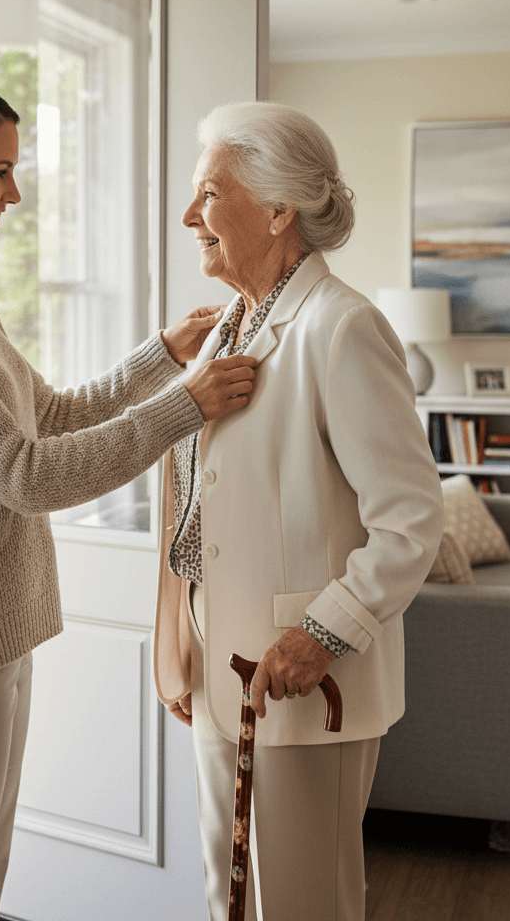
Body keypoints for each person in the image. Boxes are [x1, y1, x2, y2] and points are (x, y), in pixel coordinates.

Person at [0, 74, 258, 921]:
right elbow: (24, 472)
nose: (14, 195)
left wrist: (160, 358)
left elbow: (49, 415)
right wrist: (187, 404)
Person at [152, 101, 445, 921]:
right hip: (223, 669)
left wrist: (323, 633)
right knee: (231, 899)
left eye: (209, 194)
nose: (189, 217)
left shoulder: (341, 328)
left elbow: (412, 517)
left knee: (304, 906)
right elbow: (195, 505)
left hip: (303, 679)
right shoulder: (226, 331)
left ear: (280, 210)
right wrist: (184, 638)